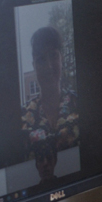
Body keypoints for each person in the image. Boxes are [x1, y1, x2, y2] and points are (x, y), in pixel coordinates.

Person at [22, 26, 79, 173]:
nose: (48, 66)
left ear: (61, 59)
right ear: (34, 66)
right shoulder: (22, 118)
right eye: (41, 59)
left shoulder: (80, 104)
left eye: (53, 55)